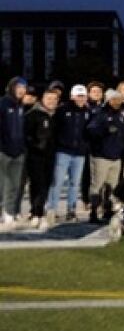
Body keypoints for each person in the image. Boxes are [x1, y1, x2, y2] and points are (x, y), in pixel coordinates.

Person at [47, 84, 91, 222]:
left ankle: (71, 210)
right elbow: (54, 130)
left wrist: (85, 146)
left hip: (79, 153)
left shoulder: (87, 112)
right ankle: (51, 209)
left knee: (74, 183)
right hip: (63, 151)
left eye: (83, 96)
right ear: (72, 96)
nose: (80, 99)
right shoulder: (62, 110)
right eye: (78, 96)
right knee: (57, 182)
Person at [85, 89, 124, 223]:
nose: (117, 102)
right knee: (97, 185)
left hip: (116, 156)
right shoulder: (100, 113)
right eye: (114, 99)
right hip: (101, 156)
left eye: (119, 99)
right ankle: (93, 212)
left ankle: (107, 210)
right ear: (109, 100)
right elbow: (90, 131)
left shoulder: (122, 114)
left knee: (112, 186)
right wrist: (105, 130)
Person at [24, 89, 59, 229]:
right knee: (38, 184)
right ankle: (37, 212)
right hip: (35, 156)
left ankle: (36, 211)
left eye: (54, 99)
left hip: (50, 156)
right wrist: (36, 146)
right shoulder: (33, 115)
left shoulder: (56, 116)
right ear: (42, 99)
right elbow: (26, 135)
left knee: (46, 184)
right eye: (49, 98)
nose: (51, 101)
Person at [0, 77, 28, 227]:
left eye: (24, 87)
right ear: (12, 87)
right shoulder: (3, 104)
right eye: (19, 87)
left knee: (15, 185)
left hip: (18, 152)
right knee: (2, 184)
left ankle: (9, 213)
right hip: (4, 151)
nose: (22, 90)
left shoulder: (21, 106)